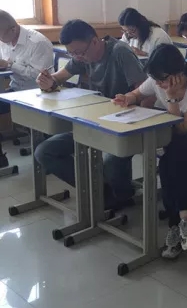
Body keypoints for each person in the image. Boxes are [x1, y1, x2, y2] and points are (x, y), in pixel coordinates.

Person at [113, 44, 187, 259]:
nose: (158, 84)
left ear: (178, 73)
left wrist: (173, 98)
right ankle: (183, 219)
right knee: (171, 158)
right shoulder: (159, 79)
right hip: (180, 143)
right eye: (156, 80)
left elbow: (181, 128)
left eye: (162, 80)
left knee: (174, 153)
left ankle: (177, 221)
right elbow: (138, 93)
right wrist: (128, 98)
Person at [35, 20, 147, 208]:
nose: (77, 57)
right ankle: (100, 191)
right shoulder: (82, 56)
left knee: (111, 163)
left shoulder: (120, 52)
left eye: (79, 52)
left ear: (95, 41)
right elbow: (58, 78)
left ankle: (119, 194)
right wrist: (47, 81)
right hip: (92, 122)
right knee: (44, 152)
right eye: (71, 53)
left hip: (123, 124)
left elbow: (145, 91)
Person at [0, 10, 53, 92]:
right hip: (15, 88)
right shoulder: (5, 40)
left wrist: (10, 65)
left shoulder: (38, 43)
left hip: (37, 91)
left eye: (0, 36)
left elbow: (38, 75)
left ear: (13, 30)